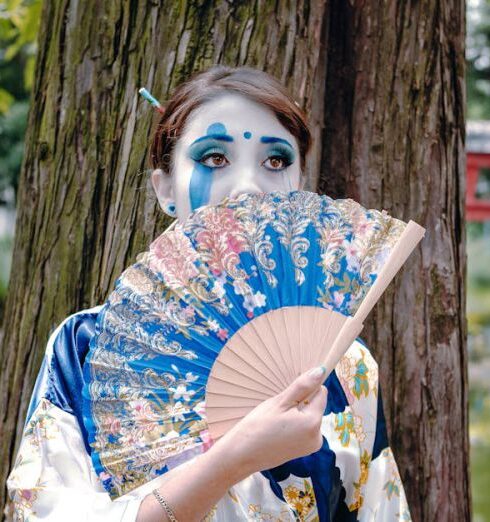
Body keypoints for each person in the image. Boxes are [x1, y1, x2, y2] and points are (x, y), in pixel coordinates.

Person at [6, 65, 411, 521]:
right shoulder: (86, 348)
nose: (248, 186)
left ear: (298, 187)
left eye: (276, 161)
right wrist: (231, 460)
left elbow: (381, 510)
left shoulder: (344, 364)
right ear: (165, 190)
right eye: (215, 158)